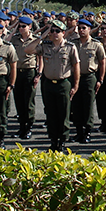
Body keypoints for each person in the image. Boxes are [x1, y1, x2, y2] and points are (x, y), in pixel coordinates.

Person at [26, 19, 80, 152]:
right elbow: (28, 50)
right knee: (50, 114)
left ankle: (62, 142)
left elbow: (76, 66)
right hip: (48, 84)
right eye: (52, 31)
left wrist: (76, 85)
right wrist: (41, 36)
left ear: (63, 33)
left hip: (63, 84)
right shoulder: (45, 45)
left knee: (63, 114)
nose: (54, 34)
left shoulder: (70, 47)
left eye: (57, 31)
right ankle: (53, 141)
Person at [6, 16, 41, 140]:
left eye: (23, 26)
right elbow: (6, 40)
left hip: (29, 72)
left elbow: (40, 57)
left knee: (28, 102)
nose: (21, 28)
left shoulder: (35, 39)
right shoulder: (15, 39)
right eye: (19, 26)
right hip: (17, 72)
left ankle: (29, 127)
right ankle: (21, 127)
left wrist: (39, 74)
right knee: (19, 101)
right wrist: (14, 28)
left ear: (30, 27)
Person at [71, 19, 106, 143]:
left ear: (89, 29)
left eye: (84, 28)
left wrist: (100, 79)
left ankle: (87, 132)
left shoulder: (96, 44)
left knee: (88, 105)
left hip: (89, 77)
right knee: (76, 105)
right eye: (79, 28)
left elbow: (102, 62)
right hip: (75, 77)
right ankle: (78, 131)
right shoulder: (73, 43)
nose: (81, 30)